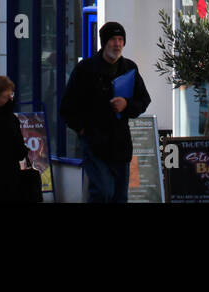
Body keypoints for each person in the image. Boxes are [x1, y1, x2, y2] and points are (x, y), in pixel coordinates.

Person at [59, 21, 150, 203]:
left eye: (120, 39)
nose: (117, 44)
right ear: (104, 42)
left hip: (120, 144)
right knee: (102, 192)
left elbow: (143, 100)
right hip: (94, 143)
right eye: (112, 40)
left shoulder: (129, 68)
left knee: (119, 197)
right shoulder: (85, 69)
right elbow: (67, 107)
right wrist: (82, 129)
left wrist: (126, 104)